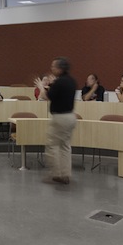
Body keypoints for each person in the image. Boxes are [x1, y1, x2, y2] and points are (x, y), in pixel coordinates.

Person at [45, 57, 77, 185]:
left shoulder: (59, 82)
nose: (51, 68)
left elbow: (48, 96)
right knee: (65, 146)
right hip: (71, 117)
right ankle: (66, 174)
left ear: (60, 68)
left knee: (52, 145)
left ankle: (57, 173)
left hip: (60, 118)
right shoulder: (71, 81)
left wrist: (42, 87)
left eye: (53, 66)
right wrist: (53, 84)